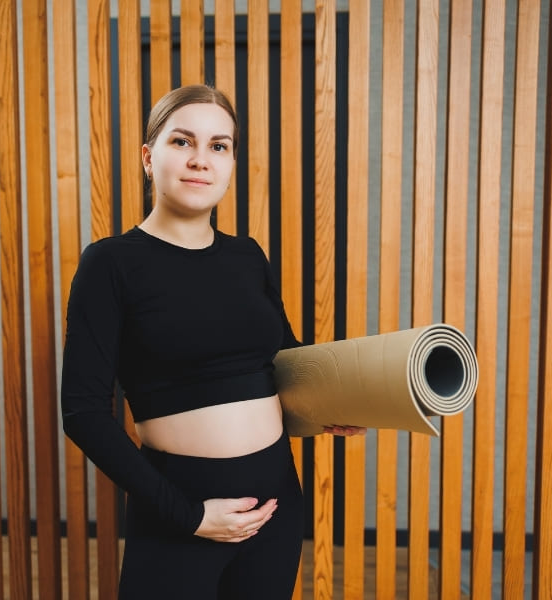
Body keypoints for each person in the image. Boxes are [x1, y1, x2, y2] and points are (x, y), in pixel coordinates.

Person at [61, 84, 365, 599]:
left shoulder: (248, 256)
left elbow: (284, 366)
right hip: (177, 508)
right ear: (148, 158)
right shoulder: (109, 263)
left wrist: (329, 407)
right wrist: (189, 515)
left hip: (274, 504)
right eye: (182, 142)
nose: (201, 160)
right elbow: (83, 412)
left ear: (230, 162)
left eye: (218, 146)